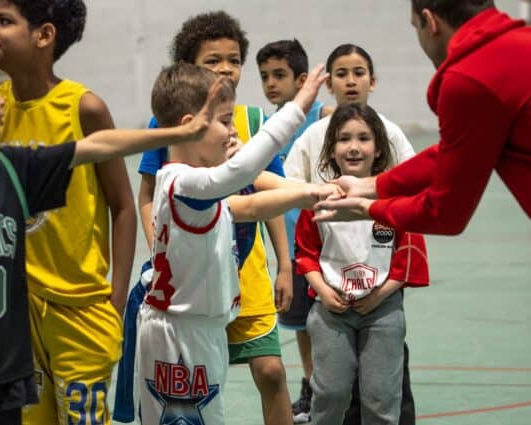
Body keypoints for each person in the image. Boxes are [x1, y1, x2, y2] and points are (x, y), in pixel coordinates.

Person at [314, 1, 531, 424]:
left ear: (430, 22)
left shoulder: (470, 77)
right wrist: (371, 184)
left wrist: (369, 209)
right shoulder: (518, 48)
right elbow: (455, 152)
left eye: (415, 27)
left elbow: (447, 212)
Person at [0, 30, 224, 425]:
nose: (1, 99)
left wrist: (178, 134)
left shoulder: (7, 168)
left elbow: (95, 146)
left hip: (2, 380)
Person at [136, 62, 333, 425]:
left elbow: (253, 204)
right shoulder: (184, 185)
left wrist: (313, 193)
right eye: (224, 122)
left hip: (198, 330)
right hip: (179, 337)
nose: (231, 133)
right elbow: (242, 171)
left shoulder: (194, 187)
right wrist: (298, 107)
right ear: (188, 126)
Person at [0, 1, 137, 423]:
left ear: (44, 35)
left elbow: (123, 206)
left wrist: (116, 302)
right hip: (14, 310)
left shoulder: (83, 108)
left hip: (80, 309)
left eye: (4, 21)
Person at [283, 43, 420, 424]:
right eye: (341, 73)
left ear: (372, 81)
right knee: (332, 390)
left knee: (384, 392)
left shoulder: (390, 133)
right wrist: (319, 283)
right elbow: (290, 188)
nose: (350, 81)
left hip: (382, 297)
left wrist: (384, 290)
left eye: (358, 72)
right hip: (329, 293)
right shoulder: (314, 138)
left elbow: (413, 189)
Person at [255, 38, 334, 424]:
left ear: (303, 79)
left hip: (325, 245)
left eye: (280, 75)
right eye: (265, 76)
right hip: (292, 248)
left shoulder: (323, 116)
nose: (271, 83)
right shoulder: (267, 129)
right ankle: (311, 385)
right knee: (301, 324)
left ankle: (335, 388)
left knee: (329, 324)